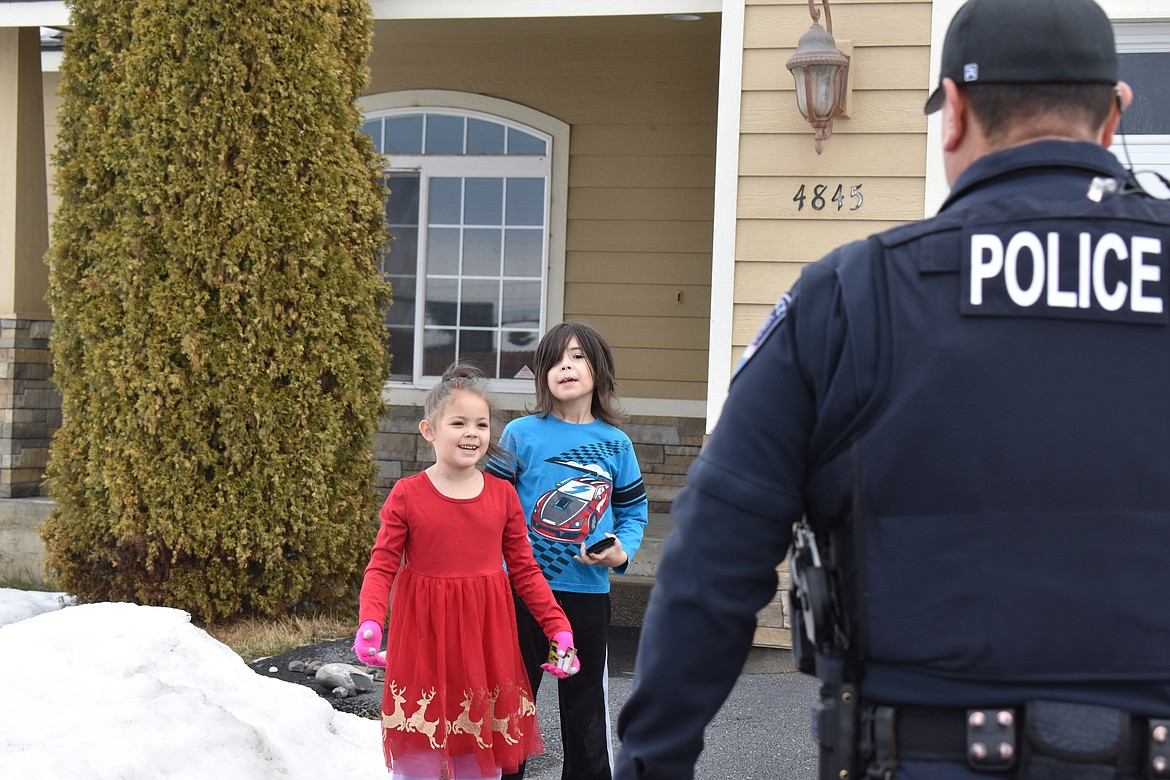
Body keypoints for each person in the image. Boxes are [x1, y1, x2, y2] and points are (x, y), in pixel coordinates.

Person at [614, 0, 1170, 778]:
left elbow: (714, 557)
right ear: (1114, 115)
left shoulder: (848, 297)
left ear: (956, 112)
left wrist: (652, 763)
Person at [355, 363, 581, 780]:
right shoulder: (407, 495)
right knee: (422, 752)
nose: (472, 432)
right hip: (423, 638)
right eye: (458, 423)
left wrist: (558, 627)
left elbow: (526, 572)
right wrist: (371, 619)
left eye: (481, 424)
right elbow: (382, 565)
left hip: (485, 643)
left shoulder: (503, 497)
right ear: (429, 431)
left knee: (478, 751)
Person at [486, 321, 649, 780]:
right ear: (542, 374)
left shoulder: (617, 445)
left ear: (598, 370)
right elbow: (488, 505)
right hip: (520, 592)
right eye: (556, 359)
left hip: (587, 595)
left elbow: (635, 514)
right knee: (511, 705)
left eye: (578, 357)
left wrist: (621, 551)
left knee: (585, 712)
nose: (566, 366)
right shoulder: (520, 434)